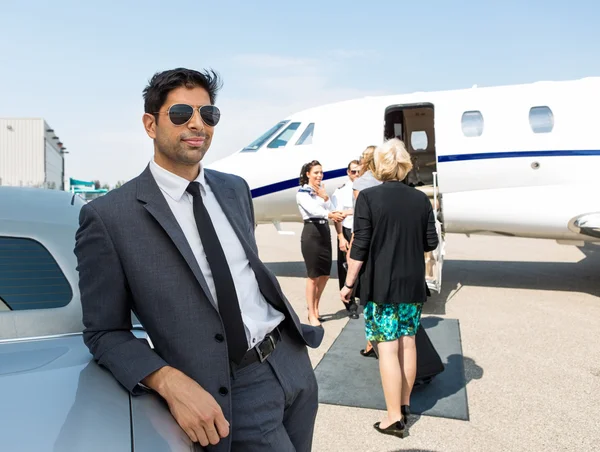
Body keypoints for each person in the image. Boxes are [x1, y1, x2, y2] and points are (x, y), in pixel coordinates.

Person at [74, 67, 324, 452]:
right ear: (150, 124)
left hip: (291, 363)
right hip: (230, 391)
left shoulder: (234, 189)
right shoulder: (109, 219)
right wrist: (167, 380)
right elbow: (104, 332)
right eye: (180, 114)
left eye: (208, 115)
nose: (197, 124)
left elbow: (247, 279)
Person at [341, 138, 439, 438]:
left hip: (381, 285)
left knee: (387, 348)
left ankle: (394, 417)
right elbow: (430, 243)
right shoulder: (420, 199)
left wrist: (348, 285)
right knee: (408, 342)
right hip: (412, 283)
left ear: (379, 165)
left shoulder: (368, 198)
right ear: (405, 165)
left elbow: (360, 246)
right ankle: (406, 404)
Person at [296, 160, 344, 326]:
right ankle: (311, 312)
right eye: (316, 172)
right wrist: (330, 215)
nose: (319, 175)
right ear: (308, 174)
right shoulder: (302, 193)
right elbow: (314, 211)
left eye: (321, 172)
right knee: (313, 276)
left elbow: (331, 208)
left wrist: (326, 198)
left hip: (324, 232)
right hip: (312, 232)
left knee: (324, 274)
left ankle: (316, 308)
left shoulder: (321, 192)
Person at [350, 146, 382, 357]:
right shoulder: (386, 182)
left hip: (368, 247)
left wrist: (352, 249)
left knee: (368, 298)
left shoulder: (360, 184)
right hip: (385, 245)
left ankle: (372, 342)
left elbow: (359, 221)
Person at [331, 159, 361, 319]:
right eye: (353, 171)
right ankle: (350, 304)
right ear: (348, 173)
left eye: (359, 171)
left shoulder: (365, 188)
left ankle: (362, 296)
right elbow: (337, 216)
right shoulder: (341, 191)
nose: (356, 174)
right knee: (346, 268)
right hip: (347, 231)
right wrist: (341, 237)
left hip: (362, 231)